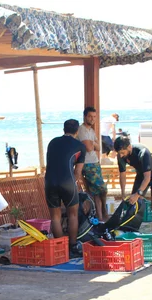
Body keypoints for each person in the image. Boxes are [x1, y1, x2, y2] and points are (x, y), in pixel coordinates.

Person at [45, 119, 86, 258]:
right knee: (72, 214)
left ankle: (59, 248)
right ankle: (73, 246)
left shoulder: (52, 142)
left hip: (50, 181)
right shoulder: (80, 146)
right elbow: (78, 171)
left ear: (63, 130)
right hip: (67, 181)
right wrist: (73, 184)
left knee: (55, 217)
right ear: (77, 131)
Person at [113, 136, 152, 234]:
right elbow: (122, 175)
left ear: (129, 147)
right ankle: (131, 231)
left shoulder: (143, 152)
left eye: (123, 152)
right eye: (119, 153)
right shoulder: (121, 155)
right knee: (133, 203)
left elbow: (148, 178)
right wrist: (123, 193)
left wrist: (137, 194)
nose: (121, 155)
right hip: (141, 175)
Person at [78, 106, 108, 221]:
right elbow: (90, 148)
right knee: (102, 189)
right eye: (90, 116)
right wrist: (92, 143)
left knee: (96, 192)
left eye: (94, 117)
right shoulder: (82, 130)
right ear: (85, 116)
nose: (92, 119)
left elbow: (98, 147)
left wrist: (93, 143)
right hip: (88, 164)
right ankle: (104, 212)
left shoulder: (91, 130)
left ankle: (100, 217)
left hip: (95, 162)